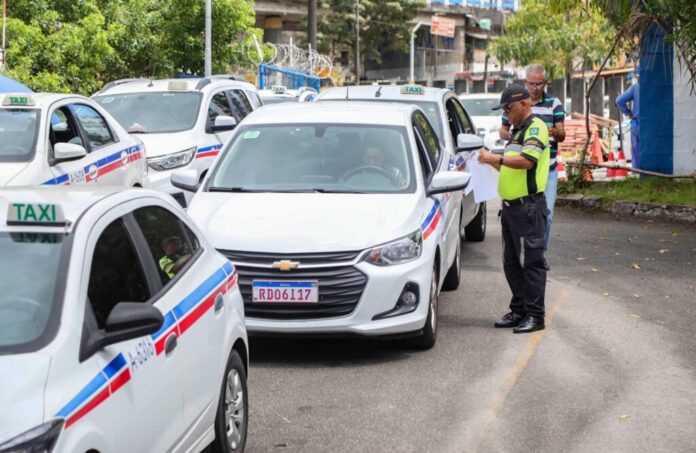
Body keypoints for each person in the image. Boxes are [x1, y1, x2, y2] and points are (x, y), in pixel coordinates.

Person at [478, 84, 550, 334]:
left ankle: (535, 315)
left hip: (528, 208)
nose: (506, 114)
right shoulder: (517, 131)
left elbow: (526, 162)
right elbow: (510, 167)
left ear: (523, 104)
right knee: (511, 263)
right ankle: (520, 309)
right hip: (511, 210)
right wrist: (488, 163)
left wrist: (495, 158)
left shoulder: (536, 127)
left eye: (508, 108)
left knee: (531, 263)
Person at [500, 64, 565, 264]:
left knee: (548, 214)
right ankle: (525, 254)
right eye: (531, 83)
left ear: (545, 84)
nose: (535, 88)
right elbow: (503, 129)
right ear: (525, 83)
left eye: (539, 84)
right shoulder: (516, 103)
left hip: (548, 168)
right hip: (524, 167)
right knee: (525, 214)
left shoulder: (553, 104)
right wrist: (507, 134)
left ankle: (539, 254)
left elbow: (562, 134)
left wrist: (548, 132)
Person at [615, 64, 640, 169]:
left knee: (636, 151)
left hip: (637, 125)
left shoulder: (635, 88)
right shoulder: (655, 88)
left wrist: (627, 112)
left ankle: (638, 174)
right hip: (652, 126)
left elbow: (619, 100)